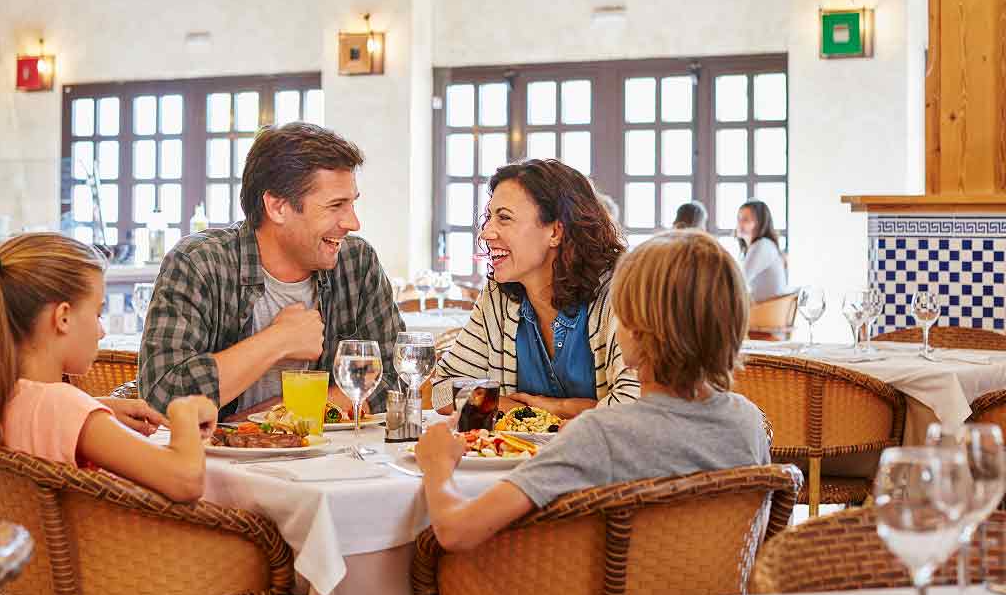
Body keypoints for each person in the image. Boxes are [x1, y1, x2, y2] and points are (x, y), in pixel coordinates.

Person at [414, 230, 771, 551]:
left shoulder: (602, 434)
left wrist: (438, 466)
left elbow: (456, 531)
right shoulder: (749, 422)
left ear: (636, 331)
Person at [139, 122, 404, 419]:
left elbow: (397, 376)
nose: (353, 223)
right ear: (277, 207)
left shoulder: (357, 262)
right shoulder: (199, 263)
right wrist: (279, 340)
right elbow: (162, 396)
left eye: (352, 203)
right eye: (335, 206)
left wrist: (281, 410)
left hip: (336, 450)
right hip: (219, 451)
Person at [0, 233, 217, 502]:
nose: (101, 331)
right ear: (63, 318)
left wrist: (94, 409)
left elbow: (46, 418)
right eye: (97, 314)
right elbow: (186, 481)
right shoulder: (62, 404)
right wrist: (184, 412)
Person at [430, 159, 639, 420]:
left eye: (504, 218)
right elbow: (441, 391)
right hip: (520, 449)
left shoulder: (621, 291)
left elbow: (638, 409)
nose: (485, 233)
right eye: (489, 218)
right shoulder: (498, 296)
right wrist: (535, 410)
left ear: (556, 232)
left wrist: (554, 409)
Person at [735, 200, 788, 302]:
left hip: (764, 309)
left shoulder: (761, 245)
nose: (739, 223)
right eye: (739, 219)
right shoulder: (765, 245)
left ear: (760, 223)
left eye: (746, 219)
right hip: (766, 308)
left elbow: (738, 281)